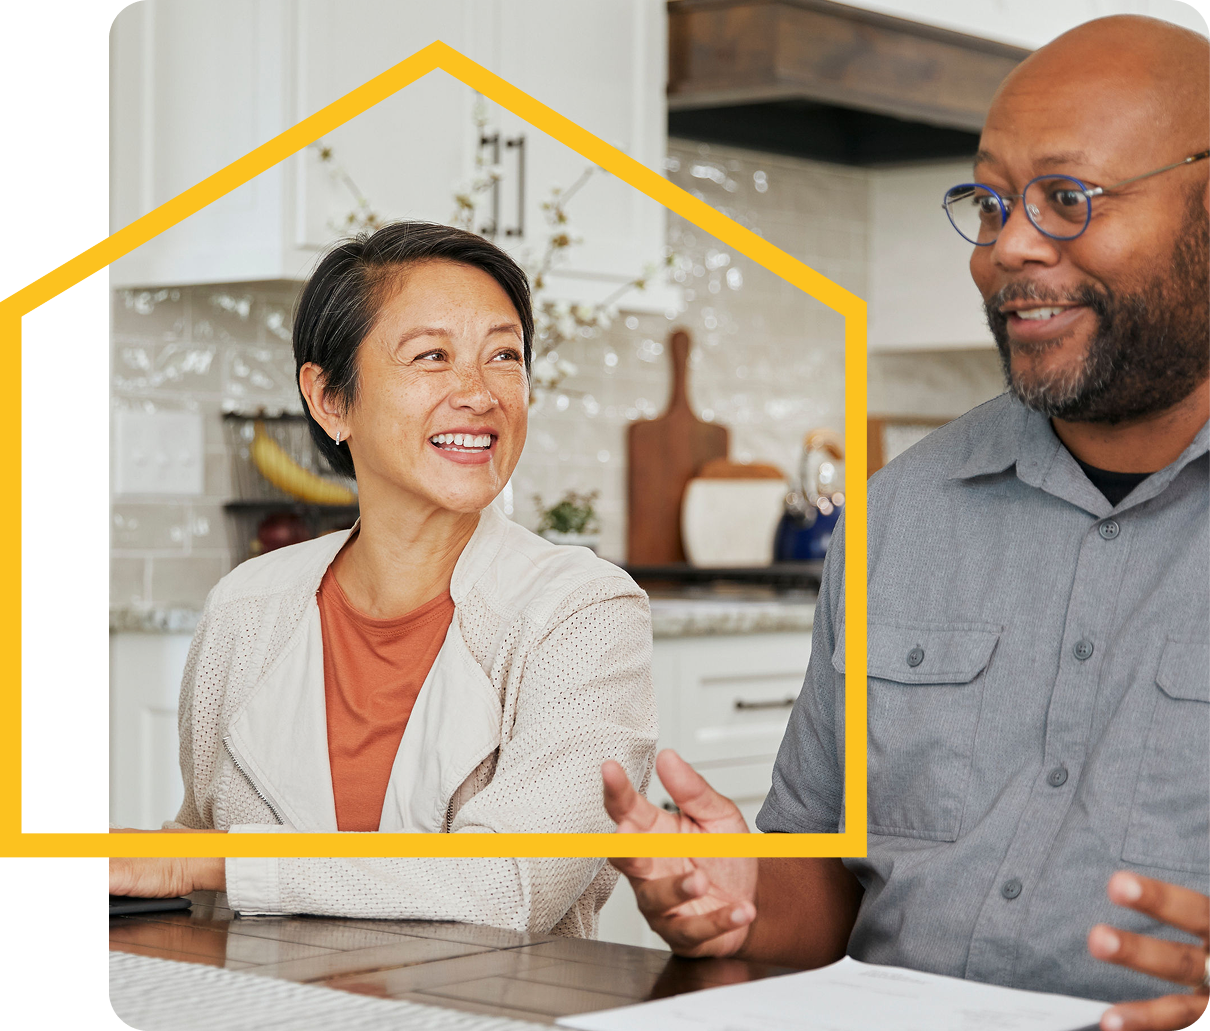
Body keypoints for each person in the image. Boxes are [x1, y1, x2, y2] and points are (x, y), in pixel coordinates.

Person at [603, 14, 1210, 1030]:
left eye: (1068, 199)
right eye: (989, 201)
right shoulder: (900, 512)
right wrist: (735, 896)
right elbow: (830, 887)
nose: (1007, 246)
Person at [110, 222, 658, 937]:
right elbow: (191, 867)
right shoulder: (246, 608)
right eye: (432, 355)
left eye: (504, 356)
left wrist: (220, 861)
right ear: (330, 399)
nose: (479, 392)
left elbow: (515, 881)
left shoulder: (584, 612)